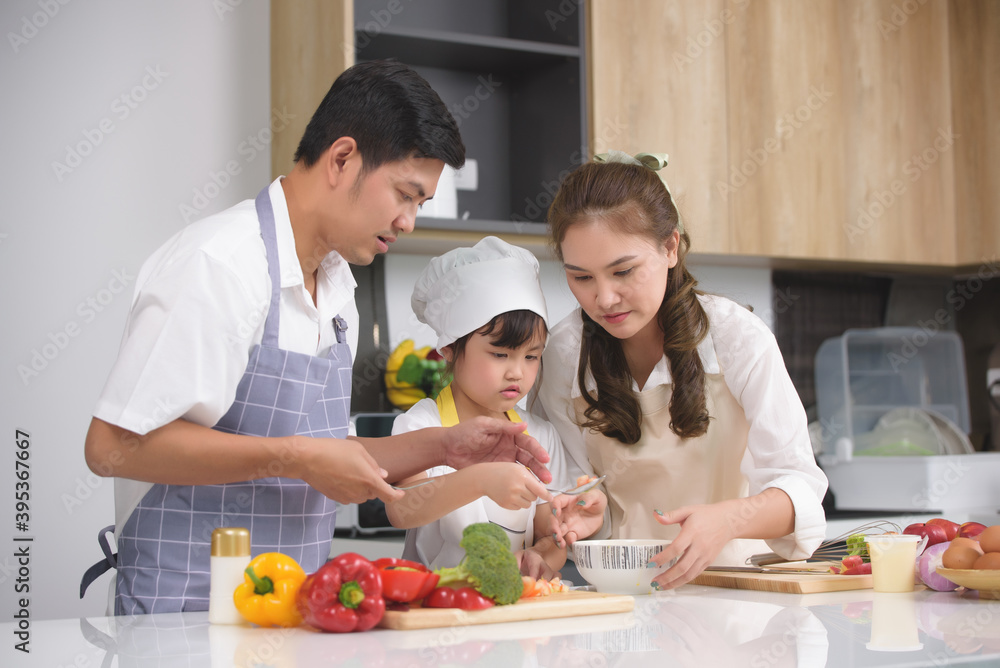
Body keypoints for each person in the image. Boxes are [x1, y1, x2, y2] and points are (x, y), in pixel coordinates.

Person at [81, 61, 553, 615]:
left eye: (420, 204)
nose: (408, 221)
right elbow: (113, 446)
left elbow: (323, 454)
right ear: (343, 158)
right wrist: (299, 458)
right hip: (185, 614)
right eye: (405, 194)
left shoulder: (335, 288)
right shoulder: (220, 266)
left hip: (293, 608)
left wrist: (447, 446)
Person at [536, 151, 828, 589]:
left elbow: (800, 489)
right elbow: (573, 495)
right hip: (624, 608)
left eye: (623, 271)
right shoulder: (562, 354)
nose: (605, 298)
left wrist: (729, 520)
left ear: (670, 247)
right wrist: (582, 513)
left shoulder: (737, 338)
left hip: (739, 603)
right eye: (581, 277)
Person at [384, 237, 606, 579]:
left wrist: (542, 553)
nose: (517, 371)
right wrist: (481, 480)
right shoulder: (421, 424)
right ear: (449, 349)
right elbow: (402, 511)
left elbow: (552, 535)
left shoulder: (541, 435)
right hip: (437, 610)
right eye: (500, 354)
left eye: (531, 356)